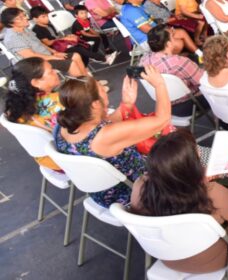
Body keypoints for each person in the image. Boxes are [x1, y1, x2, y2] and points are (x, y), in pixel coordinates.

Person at [130, 130, 228, 274]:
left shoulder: (140, 187)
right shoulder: (210, 192)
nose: (200, 154)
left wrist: (199, 180)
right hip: (213, 260)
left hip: (167, 258)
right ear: (191, 168)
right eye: (197, 154)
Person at [55, 66, 170, 207]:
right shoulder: (105, 136)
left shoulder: (63, 127)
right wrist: (160, 84)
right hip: (138, 192)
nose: (105, 90)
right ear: (95, 104)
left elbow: (103, 127)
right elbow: (162, 120)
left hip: (104, 193)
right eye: (102, 89)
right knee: (184, 150)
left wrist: (126, 104)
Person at [140, 25, 207, 120]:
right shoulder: (180, 62)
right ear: (168, 44)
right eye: (173, 37)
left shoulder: (143, 62)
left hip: (163, 107)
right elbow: (203, 82)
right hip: (190, 105)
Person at [2, 8, 88, 78]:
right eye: (20, 18)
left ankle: (88, 82)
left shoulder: (24, 29)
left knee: (76, 55)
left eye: (24, 15)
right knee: (71, 63)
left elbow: (39, 43)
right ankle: (82, 89)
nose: (26, 18)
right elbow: (30, 56)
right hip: (35, 63)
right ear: (11, 24)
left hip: (46, 55)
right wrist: (53, 57)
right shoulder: (12, 37)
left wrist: (55, 52)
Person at [123, 0, 201, 56]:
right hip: (148, 40)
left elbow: (153, 21)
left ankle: (199, 55)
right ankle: (171, 60)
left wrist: (167, 28)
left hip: (154, 34)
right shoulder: (131, 11)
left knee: (181, 32)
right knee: (179, 43)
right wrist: (166, 31)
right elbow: (148, 30)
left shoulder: (137, 7)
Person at [29, 6, 115, 67]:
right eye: (43, 17)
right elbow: (48, 42)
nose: (47, 18)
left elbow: (55, 37)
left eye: (47, 16)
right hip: (55, 49)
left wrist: (67, 36)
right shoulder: (37, 29)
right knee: (78, 49)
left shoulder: (49, 25)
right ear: (35, 19)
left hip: (60, 44)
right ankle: (103, 58)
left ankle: (84, 66)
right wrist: (64, 38)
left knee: (85, 45)